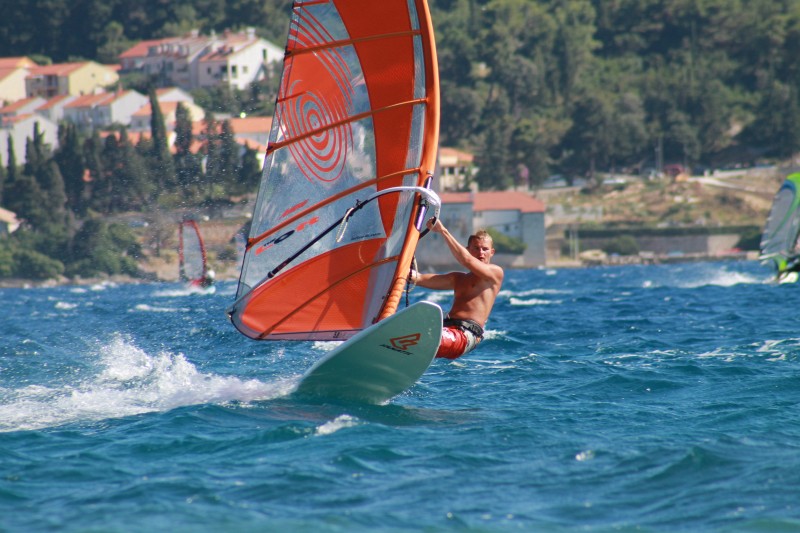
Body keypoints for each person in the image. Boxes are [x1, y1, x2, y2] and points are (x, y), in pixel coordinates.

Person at [411, 218, 504, 359]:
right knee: (411, 333)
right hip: (446, 329)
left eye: (485, 249)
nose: (481, 253)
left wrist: (443, 230)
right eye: (476, 248)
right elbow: (418, 279)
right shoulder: (458, 279)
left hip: (465, 335)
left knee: (420, 338)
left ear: (492, 252)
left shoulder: (495, 274)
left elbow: (466, 260)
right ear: (468, 250)